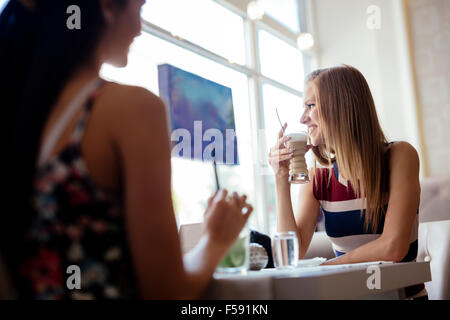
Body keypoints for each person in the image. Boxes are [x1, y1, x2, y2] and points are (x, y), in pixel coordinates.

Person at [0, 0, 252, 299]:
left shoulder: (17, 115)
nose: (139, 28)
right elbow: (167, 293)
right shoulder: (132, 110)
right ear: (107, 6)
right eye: (140, 8)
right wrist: (216, 240)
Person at [269, 65, 426, 298]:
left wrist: (324, 270)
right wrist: (281, 179)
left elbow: (393, 247)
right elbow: (293, 254)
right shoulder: (319, 178)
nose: (303, 118)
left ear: (341, 107)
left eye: (311, 106)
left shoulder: (400, 156)